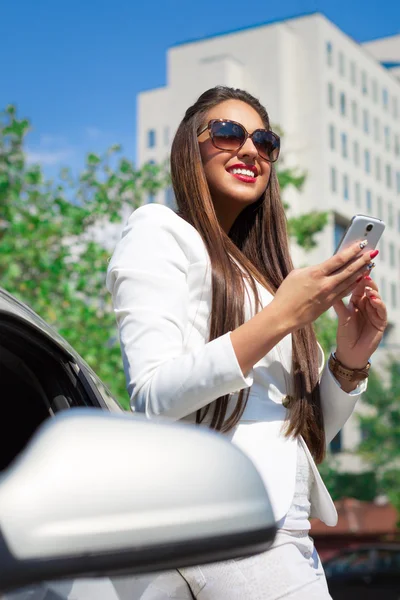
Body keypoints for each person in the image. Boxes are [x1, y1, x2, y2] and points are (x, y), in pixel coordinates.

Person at [106, 86, 387, 599]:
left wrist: (351, 356)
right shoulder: (158, 231)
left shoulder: (264, 277)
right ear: (189, 149)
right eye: (228, 133)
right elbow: (152, 397)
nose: (250, 149)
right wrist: (281, 316)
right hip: (229, 523)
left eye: (265, 140)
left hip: (285, 525)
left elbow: (302, 428)